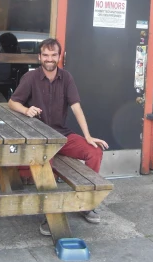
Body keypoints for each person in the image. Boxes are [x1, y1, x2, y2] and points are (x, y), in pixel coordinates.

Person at [9, 37, 108, 235]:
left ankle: (86, 203)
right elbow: (12, 102)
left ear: (59, 56)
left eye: (53, 55)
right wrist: (26, 109)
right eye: (45, 55)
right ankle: (51, 214)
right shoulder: (30, 78)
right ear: (39, 57)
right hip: (40, 138)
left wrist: (87, 136)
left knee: (94, 151)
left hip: (61, 135)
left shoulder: (67, 77)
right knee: (47, 164)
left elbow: (77, 107)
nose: (49, 58)